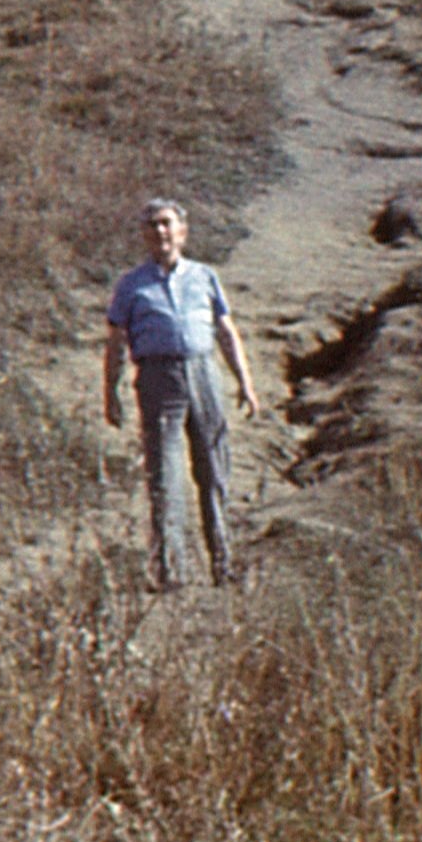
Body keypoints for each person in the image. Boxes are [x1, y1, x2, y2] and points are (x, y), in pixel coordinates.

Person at [102, 197, 261, 589]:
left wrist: (245, 382)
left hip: (203, 374)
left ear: (182, 232)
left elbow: (225, 331)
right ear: (143, 235)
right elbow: (115, 341)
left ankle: (223, 567)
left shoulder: (204, 276)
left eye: (167, 224)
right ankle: (170, 573)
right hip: (158, 380)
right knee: (166, 477)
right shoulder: (131, 285)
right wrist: (111, 392)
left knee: (214, 472)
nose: (161, 232)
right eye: (152, 225)